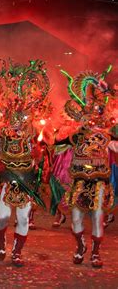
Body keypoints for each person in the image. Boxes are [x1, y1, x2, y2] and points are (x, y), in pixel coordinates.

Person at [0, 59, 52, 267]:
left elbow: (40, 161)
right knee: (2, 216)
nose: (18, 124)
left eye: (22, 119)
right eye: (15, 119)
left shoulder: (31, 139)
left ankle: (17, 252)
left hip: (26, 180)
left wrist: (39, 157)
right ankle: (1, 239)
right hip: (6, 179)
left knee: (22, 218)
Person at [57, 67, 117, 268]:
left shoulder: (107, 137)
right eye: (88, 116)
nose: (93, 120)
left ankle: (96, 253)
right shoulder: (76, 136)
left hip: (99, 181)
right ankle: (80, 246)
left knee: (98, 217)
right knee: (75, 220)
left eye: (96, 115)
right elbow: (57, 147)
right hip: (79, 181)